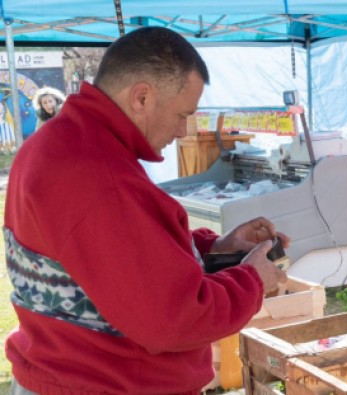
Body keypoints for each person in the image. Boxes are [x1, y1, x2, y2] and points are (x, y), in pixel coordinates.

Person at [4, 27, 288, 394]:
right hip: (100, 383)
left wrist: (215, 251)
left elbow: (113, 258)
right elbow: (174, 318)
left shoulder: (61, 142)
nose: (183, 130)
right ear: (141, 96)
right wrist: (252, 279)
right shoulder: (97, 174)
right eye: (183, 114)